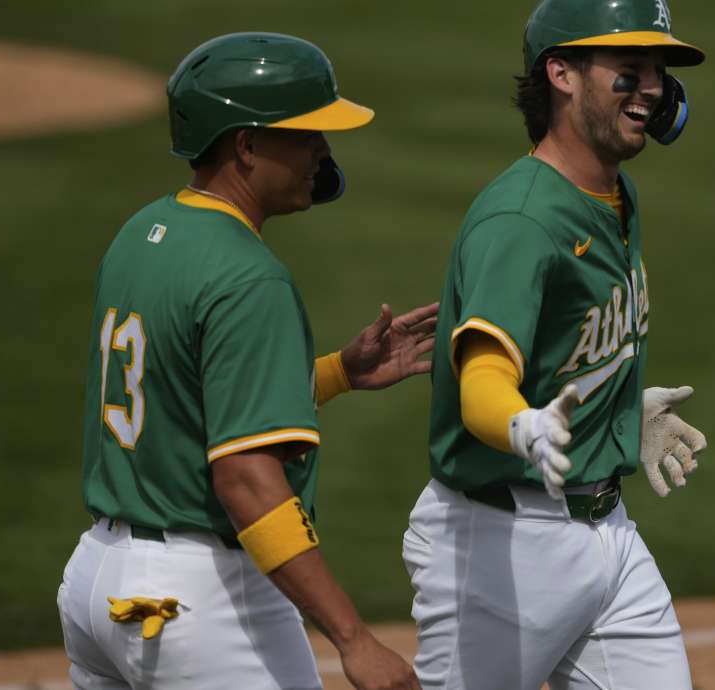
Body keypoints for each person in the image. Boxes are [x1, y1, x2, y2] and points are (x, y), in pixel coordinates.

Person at [56, 32, 434, 690]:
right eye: (307, 131)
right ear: (247, 144)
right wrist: (354, 639)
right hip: (199, 603)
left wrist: (340, 372)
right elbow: (245, 478)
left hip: (97, 583)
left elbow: (183, 397)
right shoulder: (249, 277)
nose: (324, 149)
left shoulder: (142, 233)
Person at [402, 0, 709, 687]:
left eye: (658, 71)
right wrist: (520, 424)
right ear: (561, 73)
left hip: (610, 534)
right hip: (499, 548)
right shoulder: (521, 220)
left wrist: (624, 417)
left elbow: (573, 356)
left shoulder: (615, 192)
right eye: (630, 70)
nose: (654, 89)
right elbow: (483, 374)